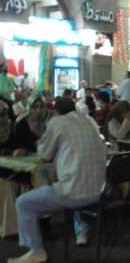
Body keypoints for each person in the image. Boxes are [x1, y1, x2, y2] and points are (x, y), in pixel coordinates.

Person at [8, 97, 107, 263]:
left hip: (74, 194)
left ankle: (36, 250)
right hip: (100, 192)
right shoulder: (89, 120)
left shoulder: (57, 123)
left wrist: (39, 137)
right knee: (72, 178)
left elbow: (44, 154)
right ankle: (81, 231)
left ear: (56, 111)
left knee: (23, 203)